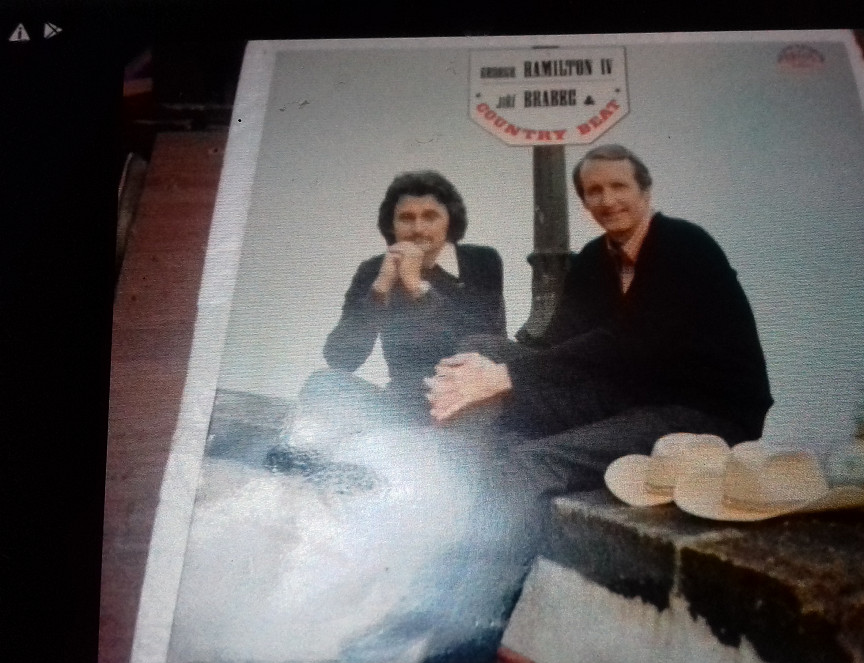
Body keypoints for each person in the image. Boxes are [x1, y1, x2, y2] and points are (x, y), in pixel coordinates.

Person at [426, 144, 773, 497]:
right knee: (479, 351)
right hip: (624, 396)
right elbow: (555, 343)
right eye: (594, 191)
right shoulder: (595, 258)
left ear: (645, 192)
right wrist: (477, 373)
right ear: (585, 203)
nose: (607, 200)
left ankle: (496, 507)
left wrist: (503, 377)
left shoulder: (684, 244)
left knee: (530, 461)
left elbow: (632, 339)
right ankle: (472, 479)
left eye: (619, 186)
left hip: (703, 411)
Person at [268, 170, 506, 474]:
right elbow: (341, 358)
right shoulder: (374, 270)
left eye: (430, 216)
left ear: (450, 220)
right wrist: (380, 290)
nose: (417, 228)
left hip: (465, 407)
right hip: (402, 405)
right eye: (406, 218)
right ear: (391, 225)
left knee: (383, 459)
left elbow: (484, 340)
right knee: (323, 384)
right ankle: (291, 474)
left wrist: (417, 288)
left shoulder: (480, 262)